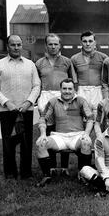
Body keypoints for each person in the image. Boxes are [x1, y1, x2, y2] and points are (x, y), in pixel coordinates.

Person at [0, 35, 41, 179]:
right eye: (13, 45)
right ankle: (10, 173)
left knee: (26, 142)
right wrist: (7, 102)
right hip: (7, 111)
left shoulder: (30, 64)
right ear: (7, 46)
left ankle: (26, 173)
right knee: (8, 142)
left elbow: (37, 85)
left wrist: (28, 102)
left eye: (19, 44)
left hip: (26, 110)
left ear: (22, 45)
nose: (16, 47)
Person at [35, 78, 93, 187]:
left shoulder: (81, 101)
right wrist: (43, 134)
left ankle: (84, 175)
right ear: (60, 89)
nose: (67, 91)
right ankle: (46, 176)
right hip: (59, 137)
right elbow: (43, 118)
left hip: (77, 136)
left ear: (74, 90)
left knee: (86, 142)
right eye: (64, 88)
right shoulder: (53, 101)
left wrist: (86, 133)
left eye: (70, 89)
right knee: (41, 143)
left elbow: (90, 118)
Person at [36, 33, 78, 174]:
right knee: (49, 131)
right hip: (46, 96)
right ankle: (52, 166)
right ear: (46, 45)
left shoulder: (67, 61)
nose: (53, 47)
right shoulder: (39, 63)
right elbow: (36, 84)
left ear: (60, 45)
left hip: (63, 96)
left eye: (56, 44)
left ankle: (65, 167)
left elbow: (73, 82)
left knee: (62, 130)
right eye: (50, 44)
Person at [71, 30, 108, 117]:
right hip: (81, 90)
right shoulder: (74, 59)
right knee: (82, 117)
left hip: (97, 90)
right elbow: (73, 79)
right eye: (85, 41)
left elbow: (106, 79)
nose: (88, 44)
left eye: (90, 41)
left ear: (95, 42)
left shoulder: (103, 57)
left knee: (98, 117)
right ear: (81, 43)